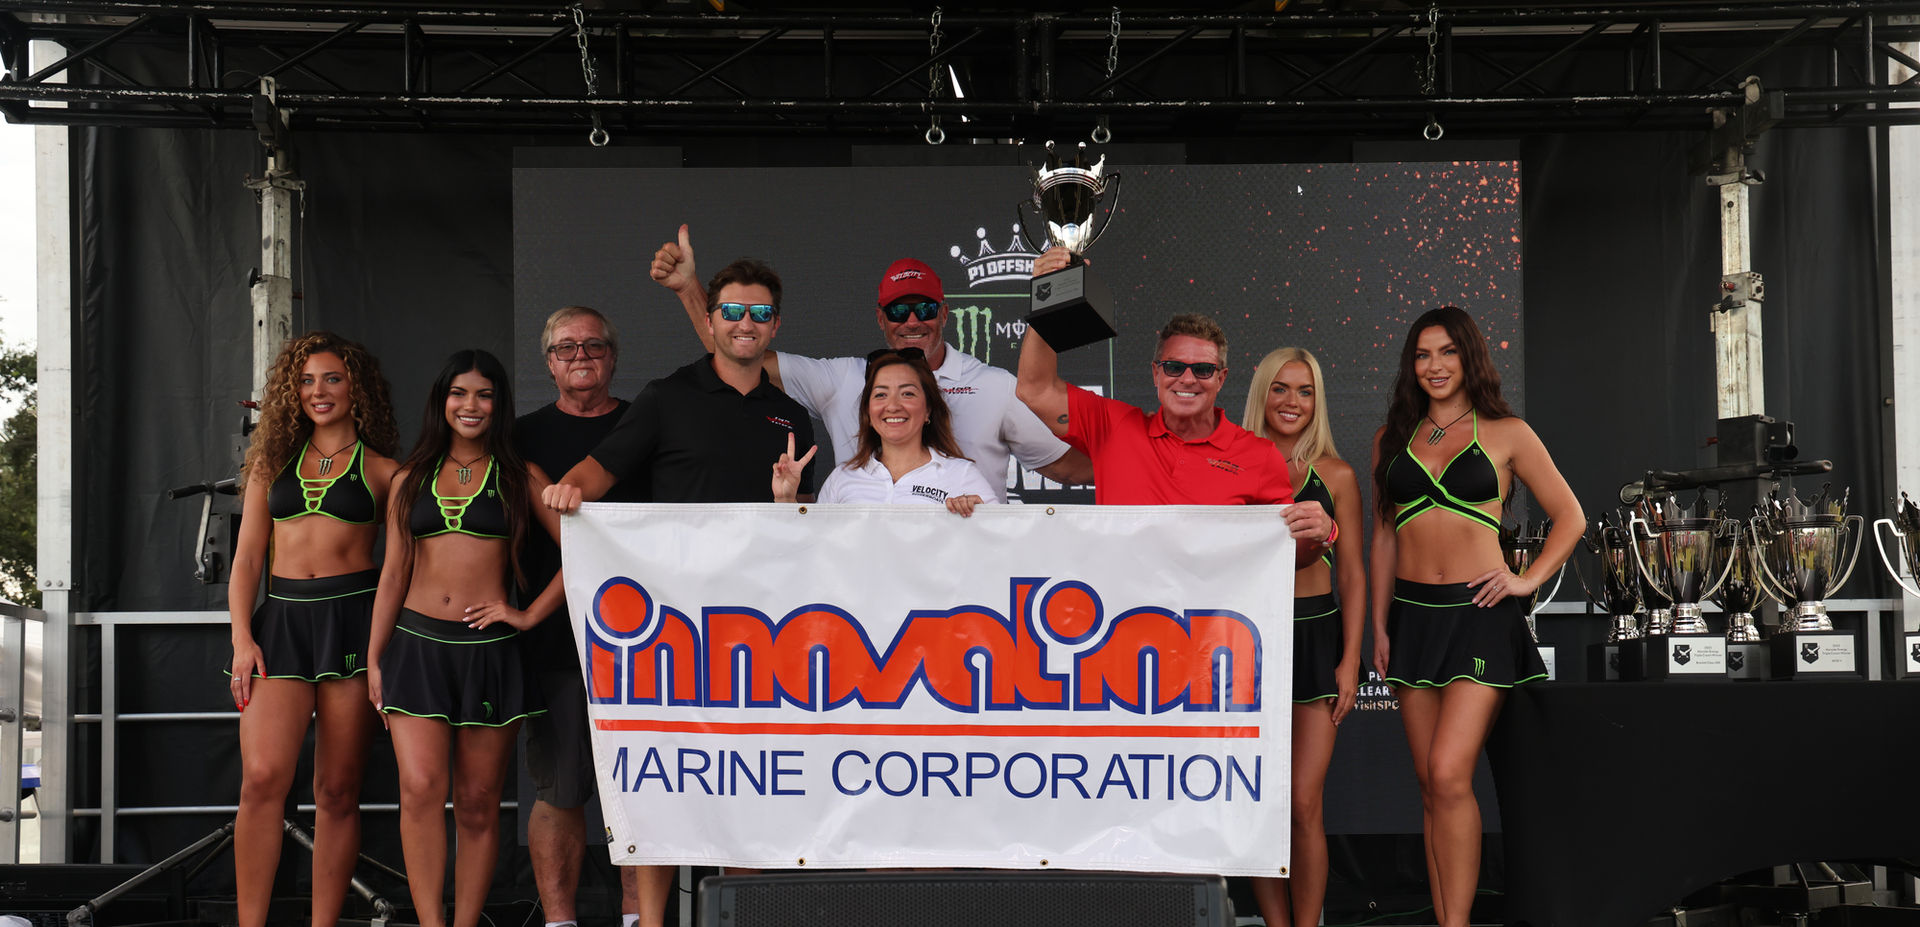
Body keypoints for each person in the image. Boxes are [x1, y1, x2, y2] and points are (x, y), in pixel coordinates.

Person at [1367, 306, 1581, 927]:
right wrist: (1378, 624)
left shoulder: (1508, 432)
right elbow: (1383, 538)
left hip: (1479, 615)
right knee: (1428, 783)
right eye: (1422, 355)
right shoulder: (1391, 438)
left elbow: (1570, 517)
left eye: (1447, 352)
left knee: (1448, 773)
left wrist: (1526, 580)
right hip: (1412, 619)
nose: (1434, 366)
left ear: (1469, 357)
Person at [648, 225, 1093, 499]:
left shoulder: (994, 385)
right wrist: (689, 290)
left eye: (924, 309)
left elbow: (1064, 467)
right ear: (881, 319)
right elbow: (742, 350)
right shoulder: (844, 379)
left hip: (962, 575)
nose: (912, 321)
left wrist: (1137, 457)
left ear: (944, 314)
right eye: (899, 311)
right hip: (864, 584)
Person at [367, 349, 566, 927]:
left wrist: (527, 614)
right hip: (415, 648)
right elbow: (393, 575)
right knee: (421, 789)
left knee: (478, 803)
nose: (470, 405)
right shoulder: (410, 477)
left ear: (499, 404)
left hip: (489, 654)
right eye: (459, 392)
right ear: (442, 400)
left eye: (484, 394)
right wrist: (375, 659)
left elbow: (583, 553)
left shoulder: (521, 475)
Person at [228, 332, 399, 927]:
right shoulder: (270, 464)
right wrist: (242, 638)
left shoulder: (386, 471)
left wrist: (382, 653)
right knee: (261, 780)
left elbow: (402, 567)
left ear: (357, 388)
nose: (317, 391)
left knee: (337, 791)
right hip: (281, 623)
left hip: (353, 623)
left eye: (332, 378)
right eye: (305, 381)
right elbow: (247, 558)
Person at [1013, 247, 1334, 558]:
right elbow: (1035, 389)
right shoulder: (1113, 427)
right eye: (1174, 367)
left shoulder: (1259, 456)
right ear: (1156, 373)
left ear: (1221, 378)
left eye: (1203, 369)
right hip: (1121, 597)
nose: (1188, 379)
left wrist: (1322, 533)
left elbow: (1285, 555)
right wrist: (1049, 294)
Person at [513, 308, 651, 927]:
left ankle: (636, 918)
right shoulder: (520, 438)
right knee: (560, 791)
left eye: (594, 345)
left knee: (643, 791)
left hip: (649, 641)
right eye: (566, 348)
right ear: (548, 363)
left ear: (613, 356)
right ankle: (560, 922)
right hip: (558, 640)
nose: (580, 357)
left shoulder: (645, 426)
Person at [1239, 347, 1366, 927]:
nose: (1292, 402)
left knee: (1302, 801)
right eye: (1281, 388)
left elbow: (1354, 573)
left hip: (1316, 633)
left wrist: (1350, 660)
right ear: (1262, 394)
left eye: (1305, 391)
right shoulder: (1232, 464)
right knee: (1261, 801)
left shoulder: (1335, 475)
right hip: (1248, 639)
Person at [543, 258, 816, 513]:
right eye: (731, 312)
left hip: (765, 552)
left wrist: (788, 502)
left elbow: (803, 513)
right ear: (709, 322)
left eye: (761, 313)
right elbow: (602, 468)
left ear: (775, 325)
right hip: (682, 552)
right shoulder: (665, 398)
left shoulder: (794, 416)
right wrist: (569, 487)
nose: (745, 324)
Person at [773, 348, 995, 517]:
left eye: (907, 394)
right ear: (868, 413)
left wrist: (980, 518)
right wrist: (786, 500)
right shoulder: (842, 478)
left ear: (928, 409)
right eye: (880, 395)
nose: (893, 406)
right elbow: (816, 551)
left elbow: (1001, 546)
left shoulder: (963, 475)